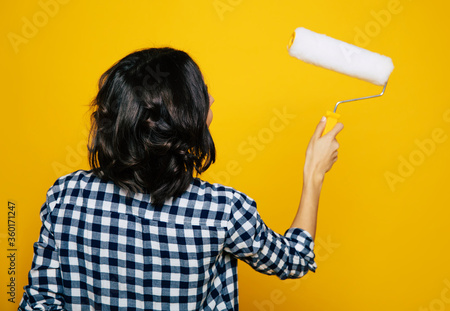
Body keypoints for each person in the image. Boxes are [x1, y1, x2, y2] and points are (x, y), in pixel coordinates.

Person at [18, 47, 343, 310]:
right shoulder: (223, 210)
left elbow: (39, 302)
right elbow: (295, 260)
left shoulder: (65, 195)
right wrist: (313, 173)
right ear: (181, 115)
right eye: (201, 92)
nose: (211, 99)